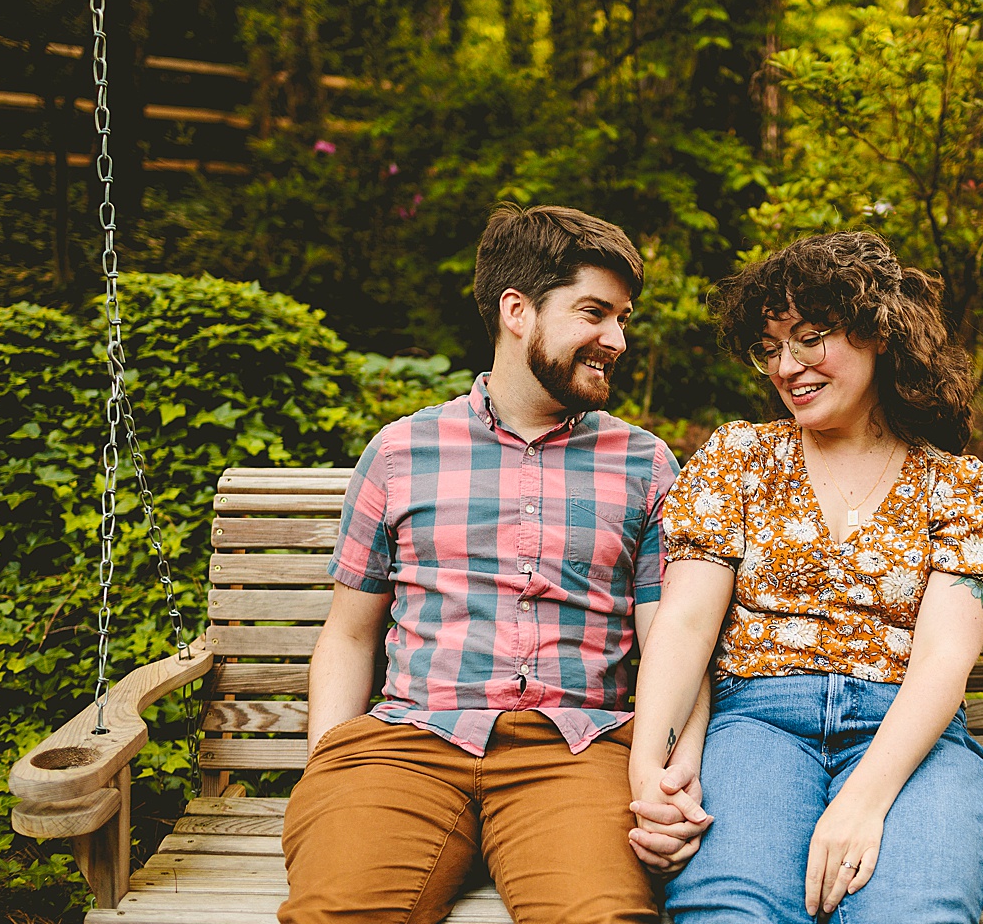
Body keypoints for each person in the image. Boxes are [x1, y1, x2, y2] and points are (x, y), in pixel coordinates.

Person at [280, 204, 712, 924]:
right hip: (409, 745)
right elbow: (350, 634)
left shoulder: (645, 464)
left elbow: (676, 641)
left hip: (577, 752)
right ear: (518, 310)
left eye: (622, 318)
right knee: (337, 913)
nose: (617, 339)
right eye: (595, 313)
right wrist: (330, 761)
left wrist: (667, 774)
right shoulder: (400, 452)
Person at [627, 230, 983, 923]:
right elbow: (685, 622)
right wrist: (648, 770)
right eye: (771, 347)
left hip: (908, 740)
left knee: (910, 914)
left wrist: (863, 803)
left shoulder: (956, 486)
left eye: (811, 338)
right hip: (757, 728)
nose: (787, 366)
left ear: (879, 335)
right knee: (730, 912)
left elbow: (943, 659)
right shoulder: (739, 459)